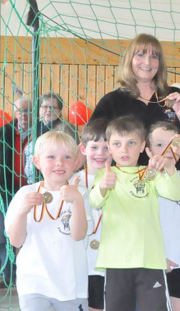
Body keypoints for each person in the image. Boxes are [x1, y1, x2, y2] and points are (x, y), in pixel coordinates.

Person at [89, 116, 180, 310]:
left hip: (149, 260)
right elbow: (95, 202)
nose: (124, 150)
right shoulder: (104, 175)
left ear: (142, 146)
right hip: (116, 262)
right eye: (117, 144)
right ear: (109, 147)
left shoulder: (151, 173)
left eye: (131, 143)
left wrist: (169, 167)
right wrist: (103, 187)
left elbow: (176, 194)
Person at [5, 131, 88, 310]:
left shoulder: (81, 194)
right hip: (34, 283)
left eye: (67, 157)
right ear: (37, 162)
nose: (59, 163)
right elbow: (16, 241)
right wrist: (22, 212)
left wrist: (77, 201)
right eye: (51, 157)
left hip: (72, 284)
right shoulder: (25, 194)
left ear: (75, 163)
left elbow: (78, 234)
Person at [90, 33, 180, 168]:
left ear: (159, 64)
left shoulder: (174, 96)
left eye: (154, 57)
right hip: (128, 181)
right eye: (140, 55)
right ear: (129, 60)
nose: (147, 62)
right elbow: (91, 143)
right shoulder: (111, 101)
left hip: (172, 179)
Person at [148, 121, 180, 311]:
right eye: (160, 145)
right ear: (147, 151)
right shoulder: (144, 180)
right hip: (151, 260)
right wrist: (157, 255)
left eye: (172, 144)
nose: (168, 149)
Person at [73, 119, 111, 311]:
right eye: (95, 147)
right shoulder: (73, 182)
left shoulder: (121, 179)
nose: (100, 153)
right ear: (83, 148)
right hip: (84, 262)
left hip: (113, 261)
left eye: (107, 147)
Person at [0, 97, 32, 284]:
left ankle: (26, 272)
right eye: (19, 110)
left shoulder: (40, 132)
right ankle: (9, 274)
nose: (23, 115)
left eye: (27, 110)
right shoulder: (4, 133)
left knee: (30, 231)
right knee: (6, 230)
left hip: (32, 188)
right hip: (8, 189)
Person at [25, 91, 79, 185]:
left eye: (53, 107)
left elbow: (75, 156)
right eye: (45, 107)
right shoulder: (36, 128)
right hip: (33, 182)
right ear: (40, 109)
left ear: (60, 111)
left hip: (57, 183)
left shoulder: (65, 128)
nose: (48, 110)